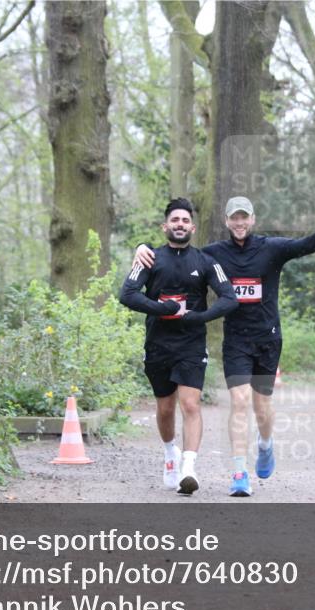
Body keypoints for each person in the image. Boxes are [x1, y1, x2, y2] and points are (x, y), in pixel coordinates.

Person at [134, 196, 315, 496]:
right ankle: (240, 473)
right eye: (234, 218)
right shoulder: (215, 253)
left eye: (245, 218)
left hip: (268, 338)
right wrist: (142, 248)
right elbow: (181, 254)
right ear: (227, 222)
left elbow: (308, 245)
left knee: (261, 406)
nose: (239, 223)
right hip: (236, 340)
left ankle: (265, 444)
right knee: (239, 402)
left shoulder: (272, 248)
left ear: (252, 220)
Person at [119, 198, 238, 496]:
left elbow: (229, 298)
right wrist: (164, 309)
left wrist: (199, 317)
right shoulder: (149, 258)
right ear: (165, 227)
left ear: (193, 227)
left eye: (185, 221)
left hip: (191, 343)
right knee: (165, 407)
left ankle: (189, 467)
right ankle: (170, 453)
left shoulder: (206, 261)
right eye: (175, 220)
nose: (180, 225)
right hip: (158, 343)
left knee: (190, 404)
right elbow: (128, 294)